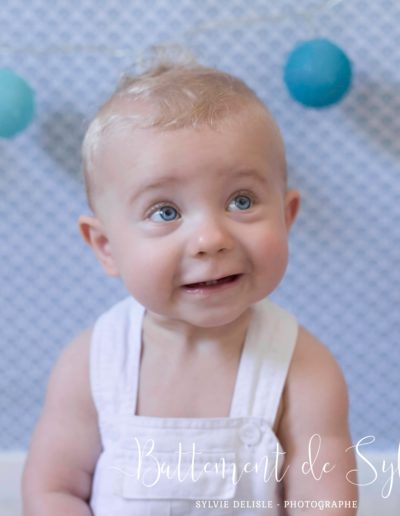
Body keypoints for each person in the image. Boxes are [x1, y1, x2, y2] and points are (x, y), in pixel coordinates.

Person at [22, 53, 358, 515]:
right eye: (165, 212)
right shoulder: (91, 365)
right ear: (105, 246)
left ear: (287, 216)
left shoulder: (303, 370)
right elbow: (53, 492)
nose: (210, 240)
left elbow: (325, 502)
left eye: (241, 200)